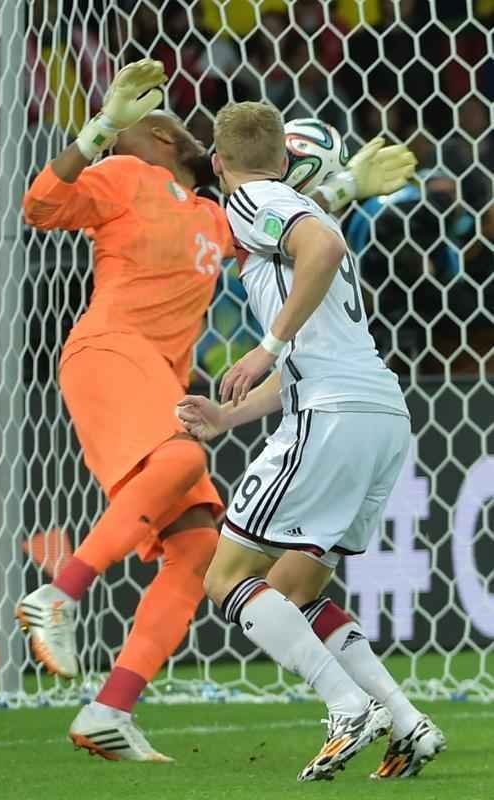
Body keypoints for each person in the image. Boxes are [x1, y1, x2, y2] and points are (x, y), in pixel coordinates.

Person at [18, 59, 417, 764]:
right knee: (182, 458)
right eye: (134, 116)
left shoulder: (213, 213)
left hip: (159, 378)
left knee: (199, 551)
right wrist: (100, 129)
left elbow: (285, 232)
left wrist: (347, 187)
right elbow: (40, 207)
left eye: (140, 113)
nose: (145, 118)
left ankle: (110, 708)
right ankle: (60, 594)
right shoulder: (121, 174)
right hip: (109, 349)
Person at [176, 100, 445, 781]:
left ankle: (347, 707)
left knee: (226, 579)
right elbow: (314, 328)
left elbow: (319, 251)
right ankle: (406, 722)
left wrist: (264, 347)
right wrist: (228, 417)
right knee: (293, 589)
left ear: (219, 161)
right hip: (378, 413)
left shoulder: (252, 201)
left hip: (329, 417)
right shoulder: (301, 213)